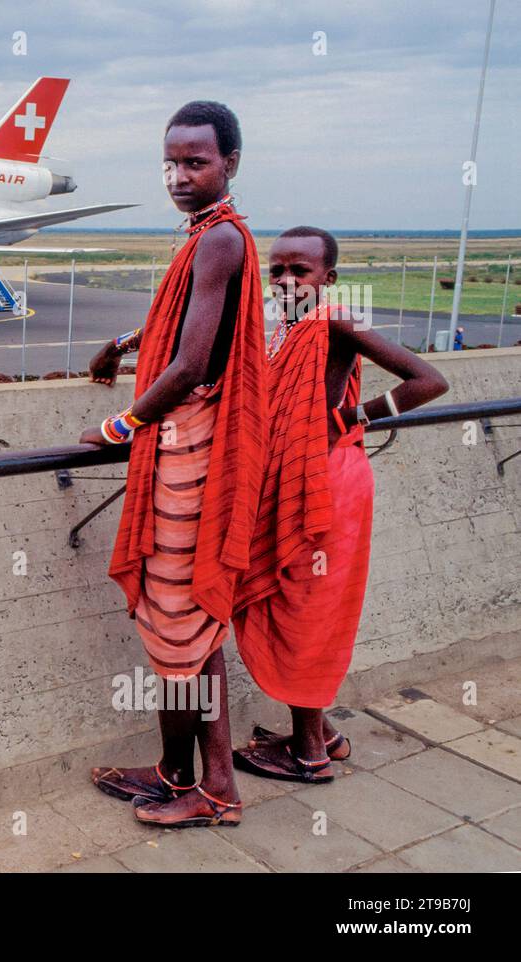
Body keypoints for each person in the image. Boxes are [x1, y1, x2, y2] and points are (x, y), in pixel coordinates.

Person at [81, 101, 267, 828]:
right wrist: (124, 343)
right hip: (188, 446)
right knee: (193, 628)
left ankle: (214, 789)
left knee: (185, 627)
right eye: (171, 162)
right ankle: (177, 772)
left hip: (190, 452)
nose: (179, 175)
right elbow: (184, 320)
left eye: (196, 162)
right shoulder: (206, 239)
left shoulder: (219, 240)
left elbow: (191, 362)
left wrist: (122, 423)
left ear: (230, 164)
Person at [229, 227, 448, 782]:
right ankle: (324, 732)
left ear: (329, 278)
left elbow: (428, 380)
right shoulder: (285, 328)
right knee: (300, 603)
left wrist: (352, 418)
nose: (284, 281)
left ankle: (308, 755)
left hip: (324, 485)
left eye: (299, 272)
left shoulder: (338, 320)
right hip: (296, 480)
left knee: (306, 607)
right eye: (275, 271)